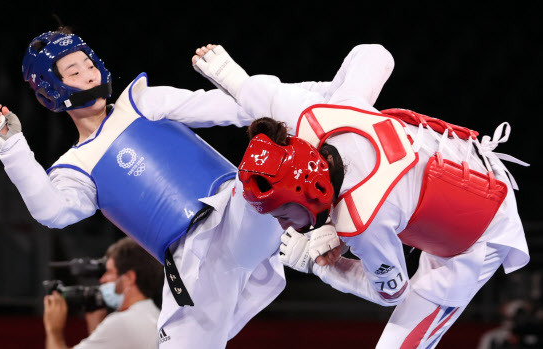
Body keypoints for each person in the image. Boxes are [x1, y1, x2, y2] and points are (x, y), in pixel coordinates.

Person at [0, 28, 353, 348]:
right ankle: (308, 245)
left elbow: (230, 108)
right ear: (52, 90)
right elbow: (51, 212)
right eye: (75, 71)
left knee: (271, 164)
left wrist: (322, 94)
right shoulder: (75, 169)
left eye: (90, 64)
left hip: (237, 209)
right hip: (193, 267)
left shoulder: (142, 102)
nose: (90, 75)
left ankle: (333, 225)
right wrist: (12, 147)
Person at [192, 44, 530, 348]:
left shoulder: (362, 219)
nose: (281, 225)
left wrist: (323, 266)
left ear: (312, 194)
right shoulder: (316, 115)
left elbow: (392, 292)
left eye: (281, 213)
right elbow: (377, 54)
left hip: (478, 232)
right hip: (464, 161)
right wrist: (231, 75)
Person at [44, 237, 163, 349]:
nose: (102, 280)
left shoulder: (122, 323)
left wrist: (53, 330)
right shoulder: (156, 316)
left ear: (129, 278)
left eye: (109, 272)